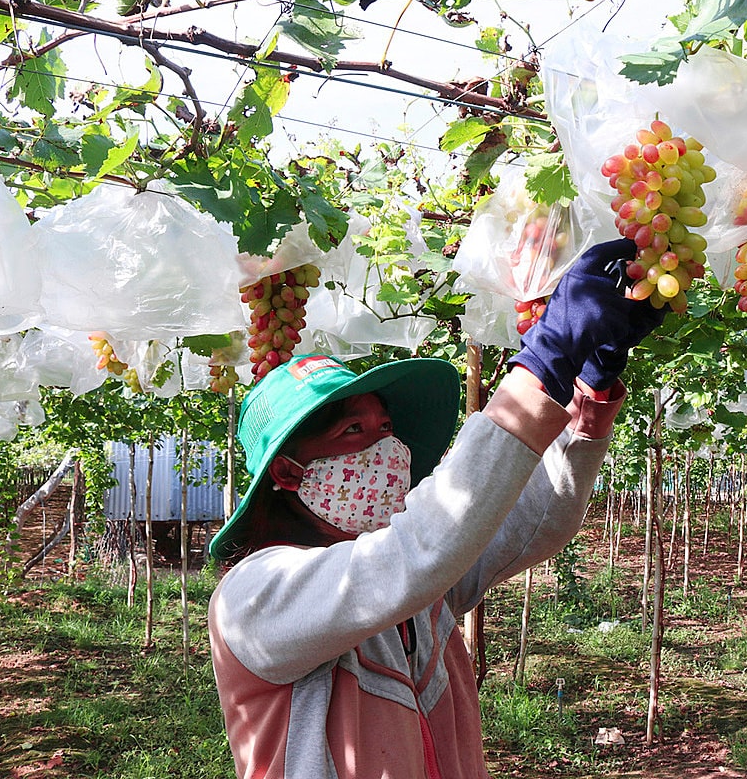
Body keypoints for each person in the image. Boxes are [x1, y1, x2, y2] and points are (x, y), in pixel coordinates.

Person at [206, 238, 665, 779]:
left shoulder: (419, 590)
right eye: (353, 431)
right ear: (287, 473)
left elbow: (534, 522)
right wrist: (540, 366)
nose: (387, 450)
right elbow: (416, 553)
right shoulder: (254, 595)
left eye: (386, 429)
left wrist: (587, 393)